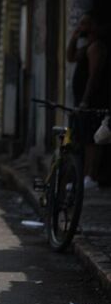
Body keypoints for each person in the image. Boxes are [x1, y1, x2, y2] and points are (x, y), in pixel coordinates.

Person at [67, 11, 109, 189]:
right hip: (83, 101)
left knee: (93, 140)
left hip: (92, 102)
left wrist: (85, 100)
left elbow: (94, 76)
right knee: (83, 138)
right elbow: (70, 57)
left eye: (84, 24)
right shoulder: (86, 47)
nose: (80, 27)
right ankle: (84, 175)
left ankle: (90, 176)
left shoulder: (96, 48)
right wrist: (74, 37)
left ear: (93, 27)